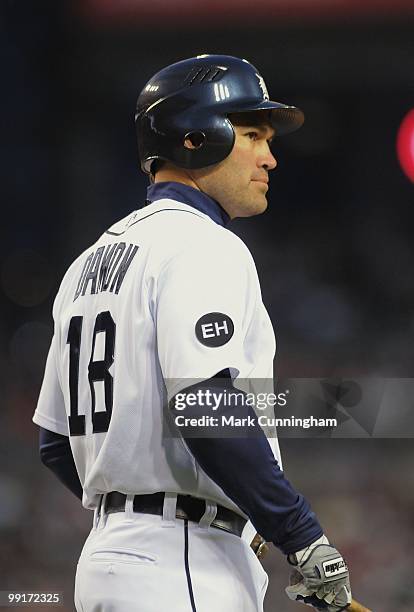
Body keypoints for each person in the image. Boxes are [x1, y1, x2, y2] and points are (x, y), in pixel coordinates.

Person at [33, 54, 352, 612]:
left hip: (108, 563)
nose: (270, 157)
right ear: (196, 137)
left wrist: (135, 504)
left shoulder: (87, 263)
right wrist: (300, 535)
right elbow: (205, 402)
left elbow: (57, 445)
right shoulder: (202, 243)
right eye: (252, 133)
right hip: (182, 560)